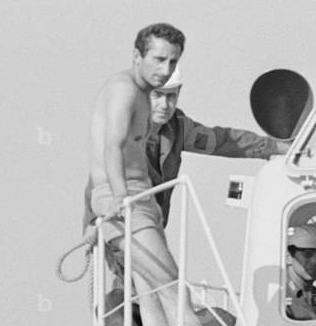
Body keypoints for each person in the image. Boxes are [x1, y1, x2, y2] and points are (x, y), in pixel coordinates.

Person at [87, 22, 225, 326]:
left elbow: (219, 139)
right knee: (171, 287)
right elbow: (112, 146)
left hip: (137, 197)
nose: (165, 69)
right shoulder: (125, 89)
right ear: (137, 56)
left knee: (150, 291)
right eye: (159, 60)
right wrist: (121, 199)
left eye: (173, 61)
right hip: (128, 200)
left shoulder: (144, 97)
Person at [82, 64, 290, 230]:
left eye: (171, 96)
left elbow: (224, 141)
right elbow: (99, 182)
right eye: (157, 95)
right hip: (117, 226)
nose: (165, 105)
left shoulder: (178, 127)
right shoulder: (122, 130)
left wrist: (276, 147)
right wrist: (92, 225)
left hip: (151, 228)